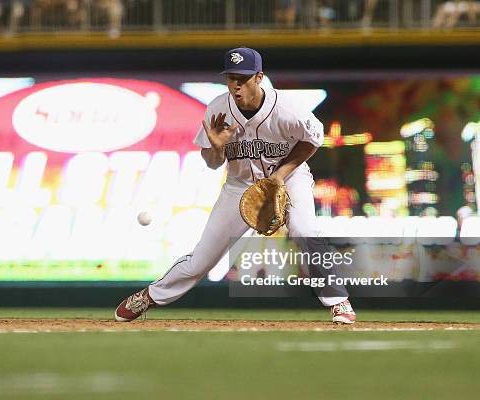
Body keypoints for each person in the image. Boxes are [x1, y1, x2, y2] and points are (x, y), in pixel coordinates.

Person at [114, 47, 356, 325]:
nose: (236, 85)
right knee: (202, 258)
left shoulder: (288, 108)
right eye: (231, 78)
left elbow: (312, 140)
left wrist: (281, 175)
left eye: (243, 78)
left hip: (289, 178)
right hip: (240, 186)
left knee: (306, 231)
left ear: (259, 77)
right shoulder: (218, 108)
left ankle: (338, 301)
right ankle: (149, 296)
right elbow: (212, 162)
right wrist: (217, 149)